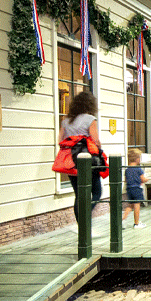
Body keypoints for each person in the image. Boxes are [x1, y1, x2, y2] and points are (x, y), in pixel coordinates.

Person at [61, 91, 102, 219]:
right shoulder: (90, 119)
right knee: (96, 192)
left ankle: (82, 228)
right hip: (88, 162)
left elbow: (60, 141)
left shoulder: (66, 121)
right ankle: (86, 218)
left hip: (71, 162)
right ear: (90, 105)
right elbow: (95, 141)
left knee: (79, 195)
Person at [124, 148, 145, 229]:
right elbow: (142, 179)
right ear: (136, 159)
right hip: (137, 189)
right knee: (137, 205)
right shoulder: (138, 169)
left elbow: (126, 180)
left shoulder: (127, 170)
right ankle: (136, 223)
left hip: (129, 189)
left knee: (130, 205)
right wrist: (146, 179)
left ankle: (123, 219)